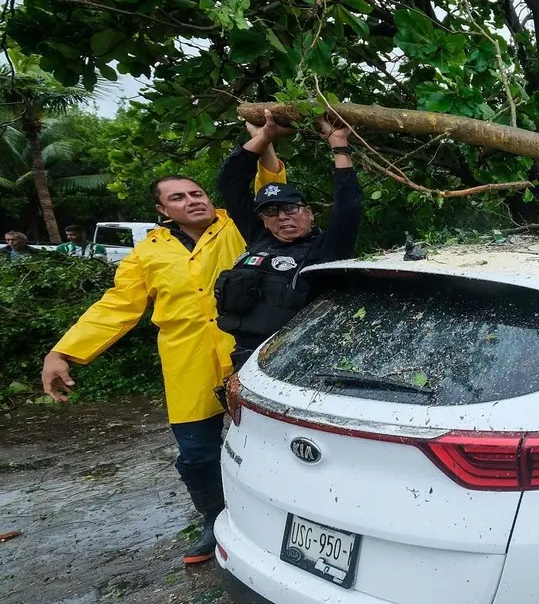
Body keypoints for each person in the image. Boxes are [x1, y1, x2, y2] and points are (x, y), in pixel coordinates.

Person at [40, 134, 286, 566]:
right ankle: (215, 519)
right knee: (196, 454)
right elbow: (117, 307)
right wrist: (63, 353)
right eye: (178, 197)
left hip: (249, 353)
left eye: (197, 192)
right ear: (161, 210)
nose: (192, 200)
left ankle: (282, 520)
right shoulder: (147, 253)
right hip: (187, 359)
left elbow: (270, 182)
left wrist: (263, 141)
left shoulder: (239, 224)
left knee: (274, 442)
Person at [214, 110, 361, 370]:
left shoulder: (327, 248)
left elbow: (348, 206)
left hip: (300, 362)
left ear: (309, 212)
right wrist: (263, 137)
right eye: (271, 211)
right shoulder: (259, 237)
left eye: (291, 208)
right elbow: (230, 183)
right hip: (246, 362)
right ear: (262, 218)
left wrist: (338, 143)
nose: (282, 217)